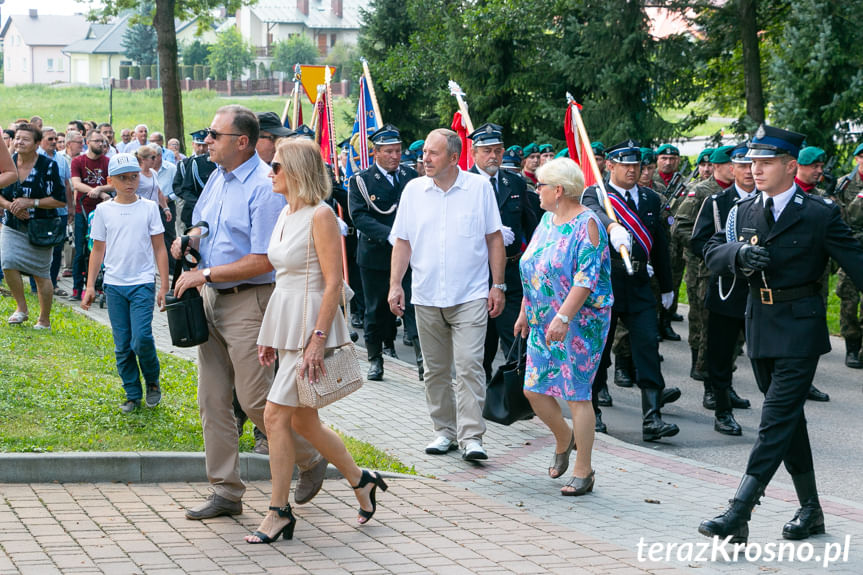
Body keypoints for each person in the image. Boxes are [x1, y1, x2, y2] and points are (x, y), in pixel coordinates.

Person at [699, 124, 863, 545]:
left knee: (773, 420)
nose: (755, 170)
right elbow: (712, 250)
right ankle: (811, 510)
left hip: (800, 327)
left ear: (791, 167)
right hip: (759, 324)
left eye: (765, 163)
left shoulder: (819, 213)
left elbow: (858, 263)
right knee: (787, 420)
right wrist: (737, 253)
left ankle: (739, 510)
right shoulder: (745, 210)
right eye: (752, 162)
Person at [172, 105, 327, 520]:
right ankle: (225, 491)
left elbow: (264, 260)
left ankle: (311, 458)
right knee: (213, 400)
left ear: (242, 142)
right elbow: (205, 223)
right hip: (212, 300)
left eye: (214, 135)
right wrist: (190, 237)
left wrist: (204, 272)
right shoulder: (217, 179)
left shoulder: (265, 186)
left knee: (257, 400)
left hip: (249, 302)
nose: (206, 140)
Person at [243, 137, 388, 544]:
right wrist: (269, 333)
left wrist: (316, 340)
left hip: (311, 324)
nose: (270, 172)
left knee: (274, 417)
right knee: (304, 420)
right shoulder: (286, 213)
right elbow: (283, 277)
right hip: (286, 320)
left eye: (276, 166)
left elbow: (333, 283)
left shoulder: (320, 215)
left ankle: (278, 512)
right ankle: (362, 481)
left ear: (297, 171)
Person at [389, 128, 506, 461]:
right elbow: (403, 241)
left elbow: (494, 239)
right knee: (435, 370)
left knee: (469, 365)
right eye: (424, 152)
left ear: (454, 158)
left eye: (433, 153)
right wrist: (395, 283)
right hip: (426, 295)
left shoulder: (479, 189)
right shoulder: (413, 191)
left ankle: (471, 437)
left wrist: (497, 285)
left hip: (469, 295)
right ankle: (444, 431)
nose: (425, 158)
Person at [515, 157, 612, 496]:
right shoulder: (547, 219)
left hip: (580, 322)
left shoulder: (588, 225)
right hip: (543, 318)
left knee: (577, 394)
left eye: (539, 185)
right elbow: (535, 268)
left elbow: (586, 280)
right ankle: (563, 438)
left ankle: (584, 469)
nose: (535, 190)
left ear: (558, 190)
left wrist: (564, 317)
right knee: (533, 388)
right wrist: (527, 310)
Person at [581, 141, 681, 440]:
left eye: (636, 166)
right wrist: (612, 226)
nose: (631, 170)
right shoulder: (597, 193)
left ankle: (652, 418)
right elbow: (594, 213)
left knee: (648, 346)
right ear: (610, 166)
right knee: (599, 349)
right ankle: (593, 410)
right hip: (606, 282)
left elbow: (661, 244)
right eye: (624, 165)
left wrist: (666, 285)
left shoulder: (650, 199)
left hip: (639, 283)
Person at [81, 153, 169, 413]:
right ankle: (132, 393)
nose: (129, 182)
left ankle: (152, 380)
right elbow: (97, 250)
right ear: (111, 181)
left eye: (133, 177)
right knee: (122, 344)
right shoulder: (103, 210)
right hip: (114, 285)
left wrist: (164, 285)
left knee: (141, 338)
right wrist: (89, 287)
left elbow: (160, 249)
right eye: (122, 178)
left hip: (142, 283)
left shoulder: (149, 208)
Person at [690, 143, 755, 435]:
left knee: (760, 351)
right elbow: (697, 241)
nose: (749, 171)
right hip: (726, 286)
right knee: (720, 351)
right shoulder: (717, 202)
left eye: (753, 165)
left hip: (761, 290)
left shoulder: (769, 201)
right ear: (732, 168)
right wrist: (727, 256)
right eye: (742, 165)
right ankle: (722, 408)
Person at [349, 124, 421, 381]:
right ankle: (375, 359)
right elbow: (358, 216)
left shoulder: (411, 177)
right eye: (389, 152)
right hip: (376, 255)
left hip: (409, 255)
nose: (395, 156)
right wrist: (388, 234)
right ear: (376, 153)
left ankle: (422, 360)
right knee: (376, 309)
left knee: (413, 304)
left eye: (398, 151)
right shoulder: (361, 181)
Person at [467, 123, 537, 381]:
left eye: (497, 150)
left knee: (517, 337)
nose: (493, 156)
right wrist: (488, 236)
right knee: (481, 343)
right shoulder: (464, 185)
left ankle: (516, 397)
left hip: (512, 271)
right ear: (474, 154)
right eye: (486, 151)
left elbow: (531, 226)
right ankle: (480, 394)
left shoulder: (514, 182)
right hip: (478, 272)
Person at [0, 124, 66, 329]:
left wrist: (32, 203)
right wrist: (10, 206)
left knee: (41, 273)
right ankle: (21, 308)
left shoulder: (48, 166)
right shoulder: (7, 163)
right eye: (17, 138)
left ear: (37, 144)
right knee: (8, 263)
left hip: (41, 227)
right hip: (12, 224)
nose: (19, 142)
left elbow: (60, 200)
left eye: (25, 139)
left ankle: (44, 319)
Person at [69, 130, 113, 301]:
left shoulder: (108, 162)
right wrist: (96, 191)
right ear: (87, 142)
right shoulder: (78, 161)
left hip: (104, 212)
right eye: (97, 141)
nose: (101, 144)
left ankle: (97, 285)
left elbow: (114, 183)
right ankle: (77, 287)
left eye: (103, 141)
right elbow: (76, 183)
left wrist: (101, 189)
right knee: (80, 250)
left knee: (100, 249)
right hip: (83, 211)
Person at [836, 143, 863, 369]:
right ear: (857, 159)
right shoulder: (845, 184)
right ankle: (852, 347)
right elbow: (844, 219)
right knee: (849, 299)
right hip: (853, 248)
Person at [173, 129, 216, 231]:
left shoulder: (213, 163)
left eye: (204, 145)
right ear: (193, 144)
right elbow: (178, 186)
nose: (202, 148)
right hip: (191, 207)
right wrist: (194, 201)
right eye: (198, 145)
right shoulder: (185, 164)